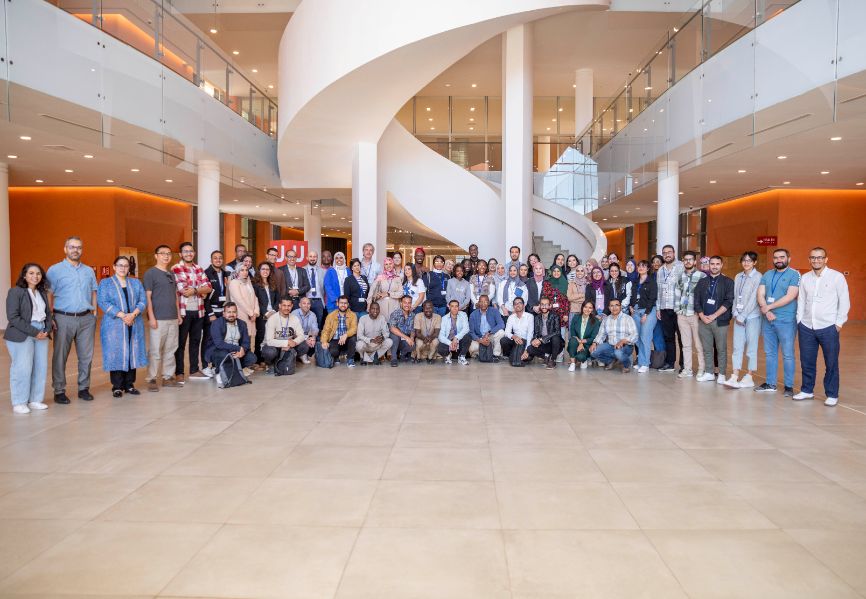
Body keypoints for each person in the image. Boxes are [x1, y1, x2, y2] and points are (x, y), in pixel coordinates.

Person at [794, 247, 850, 407]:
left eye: (819, 257)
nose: (816, 260)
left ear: (826, 259)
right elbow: (801, 301)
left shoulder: (837, 277)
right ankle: (806, 390)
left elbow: (844, 301)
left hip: (828, 327)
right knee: (807, 361)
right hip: (806, 326)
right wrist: (799, 320)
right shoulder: (805, 278)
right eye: (813, 257)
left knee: (831, 362)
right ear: (809, 259)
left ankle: (832, 394)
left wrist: (839, 323)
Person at [46, 236, 97, 404]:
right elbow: (49, 294)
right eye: (72, 247)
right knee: (60, 356)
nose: (76, 250)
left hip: (86, 319)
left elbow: (94, 292)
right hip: (63, 318)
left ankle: (84, 388)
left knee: (86, 356)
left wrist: (94, 313)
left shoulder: (88, 271)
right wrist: (50, 316)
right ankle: (59, 390)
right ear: (65, 249)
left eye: (79, 247)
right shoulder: (54, 270)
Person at [4, 263, 52, 413]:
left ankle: (35, 400)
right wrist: (34, 332)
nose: (35, 276)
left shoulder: (42, 293)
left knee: (40, 367)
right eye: (31, 273)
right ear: (24, 276)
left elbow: (48, 314)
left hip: (41, 331)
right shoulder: (15, 292)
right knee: (22, 368)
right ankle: (19, 402)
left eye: (38, 273)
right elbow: (13, 317)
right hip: (22, 332)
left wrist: (46, 329)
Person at [97, 256, 147, 397]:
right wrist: (122, 315)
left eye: (126, 266)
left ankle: (129, 385)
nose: (123, 268)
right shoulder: (105, 283)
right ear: (114, 267)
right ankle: (117, 386)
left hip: (134, 322)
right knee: (117, 352)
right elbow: (103, 302)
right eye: (120, 265)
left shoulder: (136, 283)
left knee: (132, 351)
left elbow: (142, 301)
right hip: (114, 324)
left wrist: (133, 315)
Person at [755, 248, 800, 396]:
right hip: (768, 319)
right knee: (770, 353)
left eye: (782, 257)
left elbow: (790, 296)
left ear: (789, 258)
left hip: (786, 320)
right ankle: (770, 383)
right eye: (776, 257)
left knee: (787, 354)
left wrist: (769, 307)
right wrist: (766, 311)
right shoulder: (767, 274)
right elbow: (760, 293)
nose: (778, 260)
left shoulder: (794, 274)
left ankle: (788, 387)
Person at [144, 245, 182, 391]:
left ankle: (167, 377)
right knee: (155, 350)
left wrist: (178, 314)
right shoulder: (150, 273)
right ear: (156, 256)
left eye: (168, 254)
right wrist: (151, 317)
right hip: (158, 319)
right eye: (162, 253)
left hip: (172, 317)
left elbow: (175, 296)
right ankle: (152, 378)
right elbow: (148, 297)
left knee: (171, 349)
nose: (166, 256)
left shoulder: (171, 274)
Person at [172, 242, 212, 382]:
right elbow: (184, 289)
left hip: (199, 311)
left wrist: (196, 290)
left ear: (194, 253)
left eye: (191, 251)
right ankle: (179, 372)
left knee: (195, 341)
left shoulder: (199, 268)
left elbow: (208, 287)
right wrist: (200, 290)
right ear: (180, 254)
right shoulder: (176, 268)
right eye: (185, 251)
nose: (189, 253)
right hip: (184, 311)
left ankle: (194, 370)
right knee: (180, 343)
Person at [724, 251, 762, 389]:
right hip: (738, 316)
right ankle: (735, 375)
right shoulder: (738, 276)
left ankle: (749, 376)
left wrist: (743, 315)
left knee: (751, 347)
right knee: (737, 346)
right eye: (744, 260)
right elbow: (735, 296)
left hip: (752, 317)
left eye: (750, 261)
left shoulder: (758, 277)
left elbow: (754, 299)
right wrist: (735, 312)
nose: (746, 263)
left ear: (755, 262)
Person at [695, 256, 735, 383]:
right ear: (709, 265)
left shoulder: (728, 282)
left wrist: (714, 315)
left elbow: (729, 301)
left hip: (720, 321)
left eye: (717, 264)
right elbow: (696, 301)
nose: (714, 266)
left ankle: (722, 374)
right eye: (712, 264)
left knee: (721, 348)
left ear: (722, 265)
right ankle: (709, 372)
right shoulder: (702, 282)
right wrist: (702, 316)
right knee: (707, 348)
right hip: (703, 320)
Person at [675, 251, 707, 379]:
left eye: (690, 259)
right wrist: (677, 310)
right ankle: (687, 369)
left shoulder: (702, 276)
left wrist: (701, 313)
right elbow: (677, 293)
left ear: (695, 262)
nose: (688, 262)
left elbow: (705, 296)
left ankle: (701, 369)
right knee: (686, 344)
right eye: (685, 259)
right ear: (683, 261)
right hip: (682, 314)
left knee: (699, 344)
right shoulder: (680, 276)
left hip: (696, 314)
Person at [656, 244, 684, 373]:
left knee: (682, 337)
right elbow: (658, 291)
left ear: (674, 253)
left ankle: (684, 365)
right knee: (668, 338)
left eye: (669, 252)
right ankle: (670, 363)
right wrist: (658, 309)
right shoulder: (660, 270)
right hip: (664, 308)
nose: (667, 254)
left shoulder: (682, 267)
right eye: (665, 252)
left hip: (678, 309)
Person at [590, 298, 638, 373]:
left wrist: (623, 341)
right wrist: (594, 343)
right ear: (609, 308)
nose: (614, 308)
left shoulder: (628, 318)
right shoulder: (606, 319)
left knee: (618, 352)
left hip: (626, 346)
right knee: (593, 352)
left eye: (616, 305)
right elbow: (601, 334)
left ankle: (626, 365)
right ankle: (610, 361)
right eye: (612, 306)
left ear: (620, 306)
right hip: (611, 345)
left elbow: (635, 335)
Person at [210, 302, 257, 377]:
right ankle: (218, 370)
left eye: (234, 312)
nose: (231, 314)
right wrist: (238, 348)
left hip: (237, 351)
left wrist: (243, 350)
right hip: (221, 350)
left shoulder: (242, 324)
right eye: (229, 312)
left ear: (237, 313)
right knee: (223, 354)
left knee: (252, 358)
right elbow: (219, 344)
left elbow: (246, 342)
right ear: (224, 313)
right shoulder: (216, 323)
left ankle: (238, 368)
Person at [203, 250, 230, 377]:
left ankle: (216, 365)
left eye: (220, 258)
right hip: (212, 312)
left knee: (220, 339)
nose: (218, 260)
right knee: (209, 339)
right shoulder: (206, 273)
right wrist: (210, 314)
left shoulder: (225, 273)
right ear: (211, 260)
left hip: (223, 312)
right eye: (215, 258)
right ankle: (205, 365)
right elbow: (205, 297)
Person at [260, 297, 305, 372]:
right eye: (284, 305)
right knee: (270, 352)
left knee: (304, 345)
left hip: (289, 346)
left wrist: (293, 343)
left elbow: (302, 335)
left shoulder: (295, 318)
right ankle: (270, 363)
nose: (286, 308)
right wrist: (286, 343)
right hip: (273, 347)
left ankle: (289, 359)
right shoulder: (272, 319)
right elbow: (269, 341)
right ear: (280, 306)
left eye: (289, 306)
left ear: (292, 306)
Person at [630, 260, 658, 374]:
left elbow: (652, 298)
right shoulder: (635, 281)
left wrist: (646, 313)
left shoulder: (651, 282)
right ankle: (641, 361)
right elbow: (632, 295)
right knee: (637, 338)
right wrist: (631, 306)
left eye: (644, 266)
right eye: (639, 266)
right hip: (636, 311)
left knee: (645, 338)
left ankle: (645, 364)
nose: (641, 268)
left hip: (648, 311)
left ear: (648, 269)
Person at [253, 262, 280, 369]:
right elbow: (255, 301)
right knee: (261, 337)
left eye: (267, 269)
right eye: (263, 269)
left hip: (274, 314)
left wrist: (273, 311)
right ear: (259, 271)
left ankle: (269, 358)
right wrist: (266, 312)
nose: (265, 271)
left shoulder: (273, 284)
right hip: (262, 315)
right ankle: (259, 360)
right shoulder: (255, 285)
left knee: (272, 336)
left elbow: (278, 299)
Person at [227, 264, 259, 349]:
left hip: (251, 316)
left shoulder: (248, 282)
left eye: (246, 270)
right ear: (237, 272)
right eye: (242, 270)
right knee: (241, 339)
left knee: (249, 341)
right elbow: (239, 300)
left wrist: (255, 312)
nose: (245, 272)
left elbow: (255, 298)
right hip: (241, 315)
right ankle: (240, 361)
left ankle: (247, 360)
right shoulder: (234, 283)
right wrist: (251, 313)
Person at [321, 295, 357, 367]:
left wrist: (346, 335)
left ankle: (350, 359)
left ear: (348, 304)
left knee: (353, 338)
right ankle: (336, 356)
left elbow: (354, 328)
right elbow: (326, 330)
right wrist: (324, 341)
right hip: (335, 340)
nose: (343, 305)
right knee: (333, 352)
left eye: (345, 303)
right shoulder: (330, 316)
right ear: (337, 303)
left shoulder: (353, 315)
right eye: (341, 303)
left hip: (347, 340)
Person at [528, 297, 564, 369]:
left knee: (555, 337)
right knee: (530, 348)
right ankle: (546, 356)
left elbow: (557, 332)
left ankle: (553, 360)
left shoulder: (555, 316)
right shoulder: (537, 318)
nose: (544, 307)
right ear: (539, 306)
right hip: (544, 344)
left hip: (555, 344)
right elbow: (536, 333)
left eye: (546, 304)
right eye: (542, 304)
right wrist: (534, 340)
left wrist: (541, 339)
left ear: (550, 306)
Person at [468, 294, 505, 361]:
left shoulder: (494, 311)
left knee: (501, 332)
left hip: (490, 336)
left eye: (485, 301)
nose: (483, 304)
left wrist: (489, 332)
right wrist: (481, 341)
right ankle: (485, 352)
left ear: (488, 302)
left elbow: (501, 324)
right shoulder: (473, 314)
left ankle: (495, 355)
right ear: (478, 303)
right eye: (481, 301)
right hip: (479, 338)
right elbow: (472, 332)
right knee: (472, 348)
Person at [356, 301, 393, 365]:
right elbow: (359, 335)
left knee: (389, 341)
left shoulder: (382, 318)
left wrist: (382, 338)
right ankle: (363, 357)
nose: (375, 311)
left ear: (379, 310)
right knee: (359, 344)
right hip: (366, 344)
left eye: (377, 309)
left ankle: (374, 356)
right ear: (369, 309)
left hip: (377, 344)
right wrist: (370, 340)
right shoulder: (363, 319)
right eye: (373, 308)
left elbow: (386, 333)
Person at [500, 297, 534, 366]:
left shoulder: (530, 317)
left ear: (524, 305)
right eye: (515, 304)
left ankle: (517, 355)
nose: (517, 305)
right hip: (515, 341)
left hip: (525, 342)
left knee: (527, 358)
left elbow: (530, 335)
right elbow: (507, 332)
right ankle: (511, 355)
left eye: (520, 303)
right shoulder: (511, 317)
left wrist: (526, 350)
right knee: (503, 340)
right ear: (513, 307)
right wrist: (514, 336)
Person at [567, 300, 600, 371]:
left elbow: (593, 337)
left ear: (593, 309)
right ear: (582, 307)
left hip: (587, 345)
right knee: (572, 340)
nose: (587, 309)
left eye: (590, 308)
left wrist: (582, 342)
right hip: (575, 342)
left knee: (581, 357)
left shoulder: (596, 321)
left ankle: (583, 360)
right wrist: (579, 342)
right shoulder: (576, 317)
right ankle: (572, 363)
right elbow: (572, 332)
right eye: (585, 307)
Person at [369, 256, 404, 322]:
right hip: (381, 306)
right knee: (382, 326)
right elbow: (372, 291)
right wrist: (369, 304)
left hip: (394, 305)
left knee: (393, 326)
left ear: (393, 264)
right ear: (384, 266)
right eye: (386, 264)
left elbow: (401, 293)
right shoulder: (380, 277)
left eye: (390, 263)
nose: (388, 266)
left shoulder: (397, 278)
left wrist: (388, 294)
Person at [437, 299, 471, 365]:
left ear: (459, 307)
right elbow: (441, 335)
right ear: (449, 307)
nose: (455, 308)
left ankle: (461, 357)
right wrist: (450, 343)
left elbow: (466, 329)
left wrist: (456, 338)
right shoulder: (444, 318)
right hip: (449, 341)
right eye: (452, 306)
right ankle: (448, 356)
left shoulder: (463, 315)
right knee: (440, 347)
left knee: (468, 336)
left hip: (459, 340)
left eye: (456, 306)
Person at [388, 295, 416, 366]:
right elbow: (392, 328)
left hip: (404, 339)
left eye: (409, 303)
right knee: (395, 337)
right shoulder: (395, 313)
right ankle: (393, 358)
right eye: (405, 302)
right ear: (401, 303)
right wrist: (407, 338)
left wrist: (412, 338)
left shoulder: (413, 315)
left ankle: (402, 355)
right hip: (396, 338)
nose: (407, 305)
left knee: (412, 345)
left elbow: (413, 329)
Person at [303, 250, 327, 330]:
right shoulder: (302, 270)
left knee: (318, 324)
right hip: (306, 300)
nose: (312, 258)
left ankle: (316, 341)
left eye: (314, 256)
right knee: (305, 323)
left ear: (317, 258)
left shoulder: (322, 271)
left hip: (319, 301)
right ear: (307, 257)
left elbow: (325, 287)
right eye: (310, 256)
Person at [292, 296, 319, 364]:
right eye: (304, 303)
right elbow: (294, 333)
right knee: (304, 344)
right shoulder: (294, 314)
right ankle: (300, 355)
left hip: (307, 336)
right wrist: (306, 339)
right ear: (300, 305)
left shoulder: (312, 314)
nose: (306, 305)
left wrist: (313, 337)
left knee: (318, 340)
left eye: (308, 303)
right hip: (295, 337)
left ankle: (307, 354)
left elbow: (315, 328)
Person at [566, 264, 587, 328]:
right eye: (577, 271)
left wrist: (575, 299)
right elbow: (569, 297)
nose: (579, 273)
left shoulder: (587, 283)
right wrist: (582, 295)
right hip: (573, 311)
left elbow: (587, 298)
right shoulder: (571, 283)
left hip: (585, 311)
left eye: (581, 271)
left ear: (584, 272)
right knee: (572, 331)